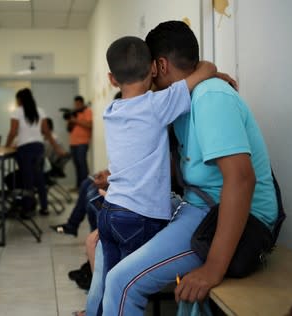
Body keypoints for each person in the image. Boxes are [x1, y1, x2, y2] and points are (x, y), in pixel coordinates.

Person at [88, 21, 279, 316]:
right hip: (196, 205)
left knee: (121, 282)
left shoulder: (210, 96)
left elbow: (241, 180)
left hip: (227, 213)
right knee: (100, 244)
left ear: (159, 66)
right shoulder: (180, 101)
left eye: (150, 68)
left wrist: (213, 268)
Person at [98, 35, 217, 306]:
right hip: (140, 216)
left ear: (111, 79)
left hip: (110, 211)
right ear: (154, 68)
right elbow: (207, 68)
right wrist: (215, 74)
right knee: (128, 288)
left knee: (111, 285)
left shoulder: (111, 110)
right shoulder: (157, 105)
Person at [5, 88, 64, 217]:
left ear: (19, 99)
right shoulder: (40, 111)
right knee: (39, 178)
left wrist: (6, 146)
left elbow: (13, 132)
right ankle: (44, 208)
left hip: (24, 150)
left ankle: (28, 208)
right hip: (38, 148)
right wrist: (57, 148)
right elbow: (47, 133)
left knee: (27, 180)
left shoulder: (17, 112)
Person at [68, 95, 93, 190]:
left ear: (82, 103)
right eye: (75, 104)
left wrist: (76, 120)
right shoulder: (74, 113)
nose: (76, 106)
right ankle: (78, 186)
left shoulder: (87, 111)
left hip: (82, 142)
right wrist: (70, 121)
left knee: (82, 166)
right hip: (73, 143)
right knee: (77, 166)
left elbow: (89, 125)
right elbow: (69, 129)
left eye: (78, 104)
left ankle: (85, 188)